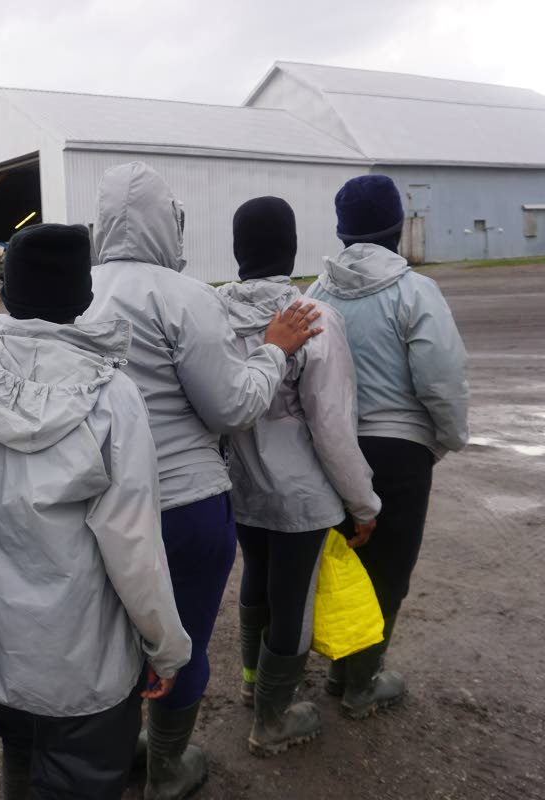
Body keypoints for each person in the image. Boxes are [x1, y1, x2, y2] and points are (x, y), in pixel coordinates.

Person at [78, 162, 322, 799]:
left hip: (92, 502)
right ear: (170, 222)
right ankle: (168, 768)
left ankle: (114, 753)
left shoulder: (75, 292)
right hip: (182, 504)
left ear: (101, 221)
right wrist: (273, 349)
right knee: (176, 639)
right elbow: (232, 406)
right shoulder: (185, 296)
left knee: (108, 636)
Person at [0, 222, 192, 800]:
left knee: (21, 760)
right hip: (86, 660)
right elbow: (133, 543)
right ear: (84, 297)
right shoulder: (112, 394)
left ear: (6, 291)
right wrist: (165, 645)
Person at [216, 196, 382, 756]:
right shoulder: (311, 317)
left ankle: (250, 683)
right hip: (299, 493)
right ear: (289, 247)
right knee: (293, 602)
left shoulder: (211, 313)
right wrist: (364, 502)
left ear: (236, 250)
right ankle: (273, 719)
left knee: (256, 580)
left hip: (239, 485)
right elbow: (332, 425)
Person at [305, 175, 469, 719]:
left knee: (346, 561)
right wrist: (446, 439)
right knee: (389, 568)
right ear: (398, 228)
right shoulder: (415, 292)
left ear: (341, 230)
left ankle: (340, 668)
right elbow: (440, 381)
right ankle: (361, 681)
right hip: (400, 452)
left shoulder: (315, 294)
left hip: (330, 450)